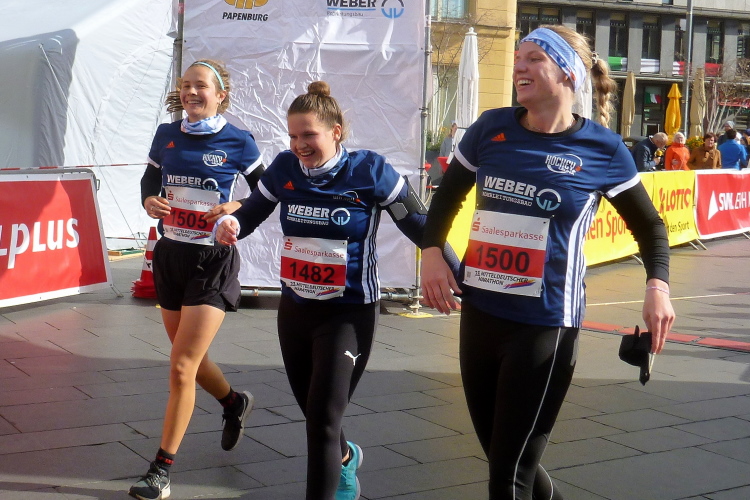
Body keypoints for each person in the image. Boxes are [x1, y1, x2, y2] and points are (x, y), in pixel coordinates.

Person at [419, 25, 675, 500]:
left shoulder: (603, 149)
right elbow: (447, 198)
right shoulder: (489, 128)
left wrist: (657, 287)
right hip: (481, 312)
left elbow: (651, 228)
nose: (519, 66)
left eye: (534, 58)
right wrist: (432, 251)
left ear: (567, 73)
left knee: (509, 475)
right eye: (518, 57)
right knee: (505, 457)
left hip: (545, 324)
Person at [215, 81, 459, 500]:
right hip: (295, 309)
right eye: (293, 136)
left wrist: (463, 276)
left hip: (348, 313)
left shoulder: (370, 171)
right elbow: (252, 211)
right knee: (315, 414)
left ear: (336, 132)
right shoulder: (285, 168)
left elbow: (421, 224)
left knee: (323, 421)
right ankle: (345, 458)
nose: (299, 145)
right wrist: (233, 223)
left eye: (308, 134)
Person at [129, 59, 264, 500]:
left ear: (220, 94)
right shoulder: (166, 134)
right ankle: (233, 402)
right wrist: (149, 199)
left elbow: (264, 193)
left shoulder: (238, 140)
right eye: (185, 85)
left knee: (181, 366)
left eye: (200, 86)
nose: (190, 92)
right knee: (188, 358)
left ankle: (161, 470)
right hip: (170, 255)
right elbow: (150, 177)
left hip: (212, 262)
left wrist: (235, 208)